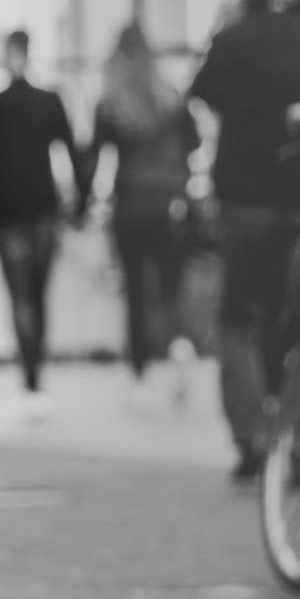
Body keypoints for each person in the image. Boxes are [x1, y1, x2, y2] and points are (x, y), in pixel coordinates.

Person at [189, 0, 300, 481]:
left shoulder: (231, 43)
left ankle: (254, 436)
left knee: (237, 317)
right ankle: (299, 440)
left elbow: (201, 91)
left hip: (243, 200)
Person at [0, 30, 87, 416]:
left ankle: (30, 382)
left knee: (21, 295)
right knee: (38, 295)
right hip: (42, 207)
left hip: (4, 209)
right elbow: (74, 153)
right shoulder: (49, 102)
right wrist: (81, 201)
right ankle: (35, 375)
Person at [85, 25, 201, 406]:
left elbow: (94, 154)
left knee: (136, 292)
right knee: (171, 286)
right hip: (171, 203)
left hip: (131, 203)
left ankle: (140, 379)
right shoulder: (170, 99)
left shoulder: (111, 103)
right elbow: (193, 144)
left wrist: (82, 203)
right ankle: (180, 345)